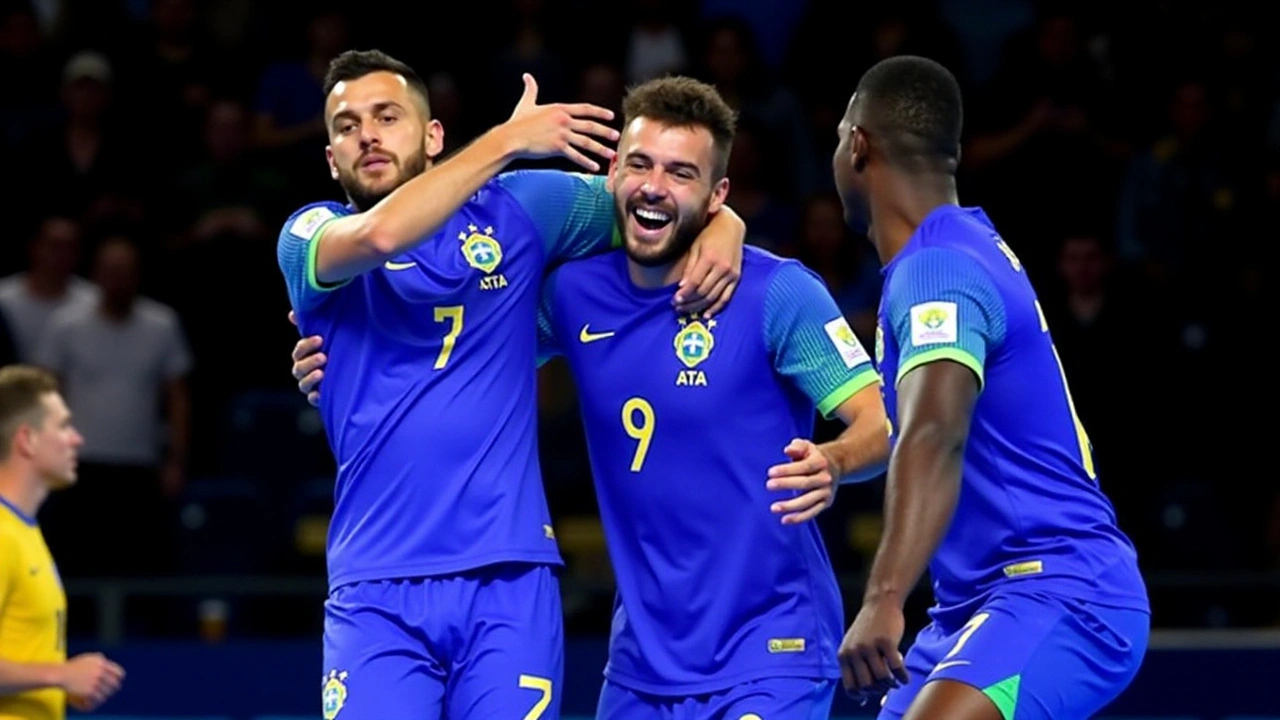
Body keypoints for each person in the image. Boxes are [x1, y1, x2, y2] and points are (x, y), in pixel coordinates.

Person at [295, 76, 892, 720]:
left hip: (768, 647)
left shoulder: (778, 293)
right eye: (639, 165)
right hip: (639, 665)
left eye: (682, 173)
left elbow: (885, 426)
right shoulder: (572, 296)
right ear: (614, 174)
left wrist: (833, 460)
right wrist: (346, 357)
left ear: (716, 192)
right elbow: (458, 335)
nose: (655, 186)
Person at [831, 56, 1149, 720]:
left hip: (1058, 590)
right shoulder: (963, 247)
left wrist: (884, 596)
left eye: (838, 136)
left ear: (858, 144)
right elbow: (910, 429)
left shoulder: (936, 269)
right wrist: (832, 462)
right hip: (973, 607)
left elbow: (934, 434)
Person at [0, 365, 125, 719]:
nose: (77, 439)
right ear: (26, 439)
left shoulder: (23, 531)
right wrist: (60, 675)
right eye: (63, 426)